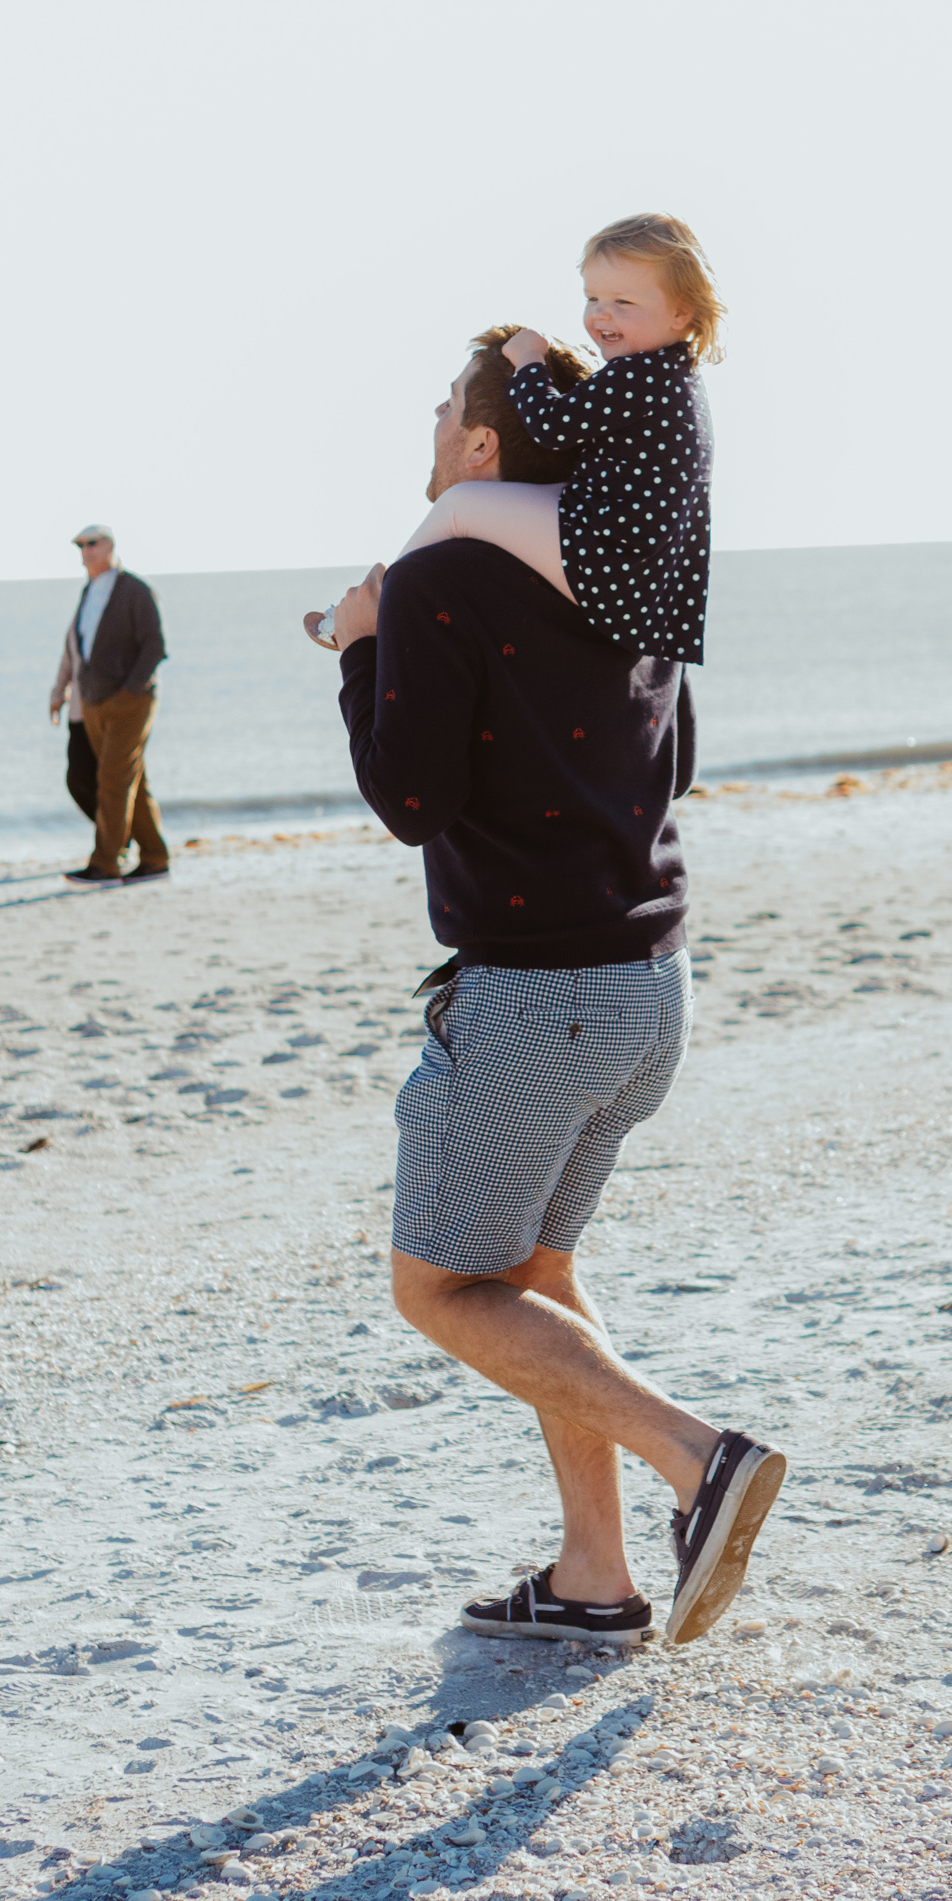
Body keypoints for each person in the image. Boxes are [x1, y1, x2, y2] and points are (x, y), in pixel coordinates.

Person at [323, 325, 784, 1650]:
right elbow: (676, 753)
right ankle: (595, 1575)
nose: (427, 428)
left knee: (440, 1289)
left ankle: (703, 1464)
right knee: (532, 1268)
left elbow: (411, 802)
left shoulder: (439, 577)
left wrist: (361, 648)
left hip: (538, 996)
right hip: (650, 985)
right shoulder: (622, 579)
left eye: (439, 410)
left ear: (480, 447)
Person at [305, 214, 722, 664]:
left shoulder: (638, 375)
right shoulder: (677, 377)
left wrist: (528, 361)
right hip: (636, 560)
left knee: (459, 505)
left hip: (609, 556)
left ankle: (376, 609)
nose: (600, 313)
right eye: (592, 297)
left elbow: (551, 426)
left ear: (683, 311)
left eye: (623, 300)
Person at [60, 525, 171, 886]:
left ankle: (105, 864)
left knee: (110, 781)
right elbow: (78, 649)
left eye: (93, 543)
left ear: (110, 546)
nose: (86, 550)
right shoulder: (88, 591)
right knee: (130, 780)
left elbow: (154, 645)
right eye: (81, 545)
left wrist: (129, 690)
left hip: (129, 702)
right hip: (94, 703)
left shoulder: (135, 590)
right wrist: (65, 689)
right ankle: (154, 858)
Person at [48, 613, 98, 825]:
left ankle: (117, 839)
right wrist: (58, 693)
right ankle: (115, 834)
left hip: (105, 710)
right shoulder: (84, 609)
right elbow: (69, 656)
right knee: (77, 781)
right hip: (78, 713)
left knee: (113, 781)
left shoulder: (116, 604)